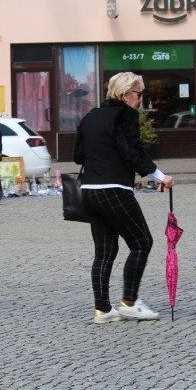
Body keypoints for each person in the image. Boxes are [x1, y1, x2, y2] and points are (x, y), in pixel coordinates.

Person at [74, 72, 174, 324]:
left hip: (88, 192)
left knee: (104, 252)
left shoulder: (91, 116)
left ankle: (103, 310)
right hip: (114, 188)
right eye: (139, 94)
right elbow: (132, 151)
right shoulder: (125, 115)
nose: (141, 100)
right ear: (125, 94)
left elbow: (78, 155)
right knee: (142, 242)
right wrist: (161, 176)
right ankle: (129, 302)